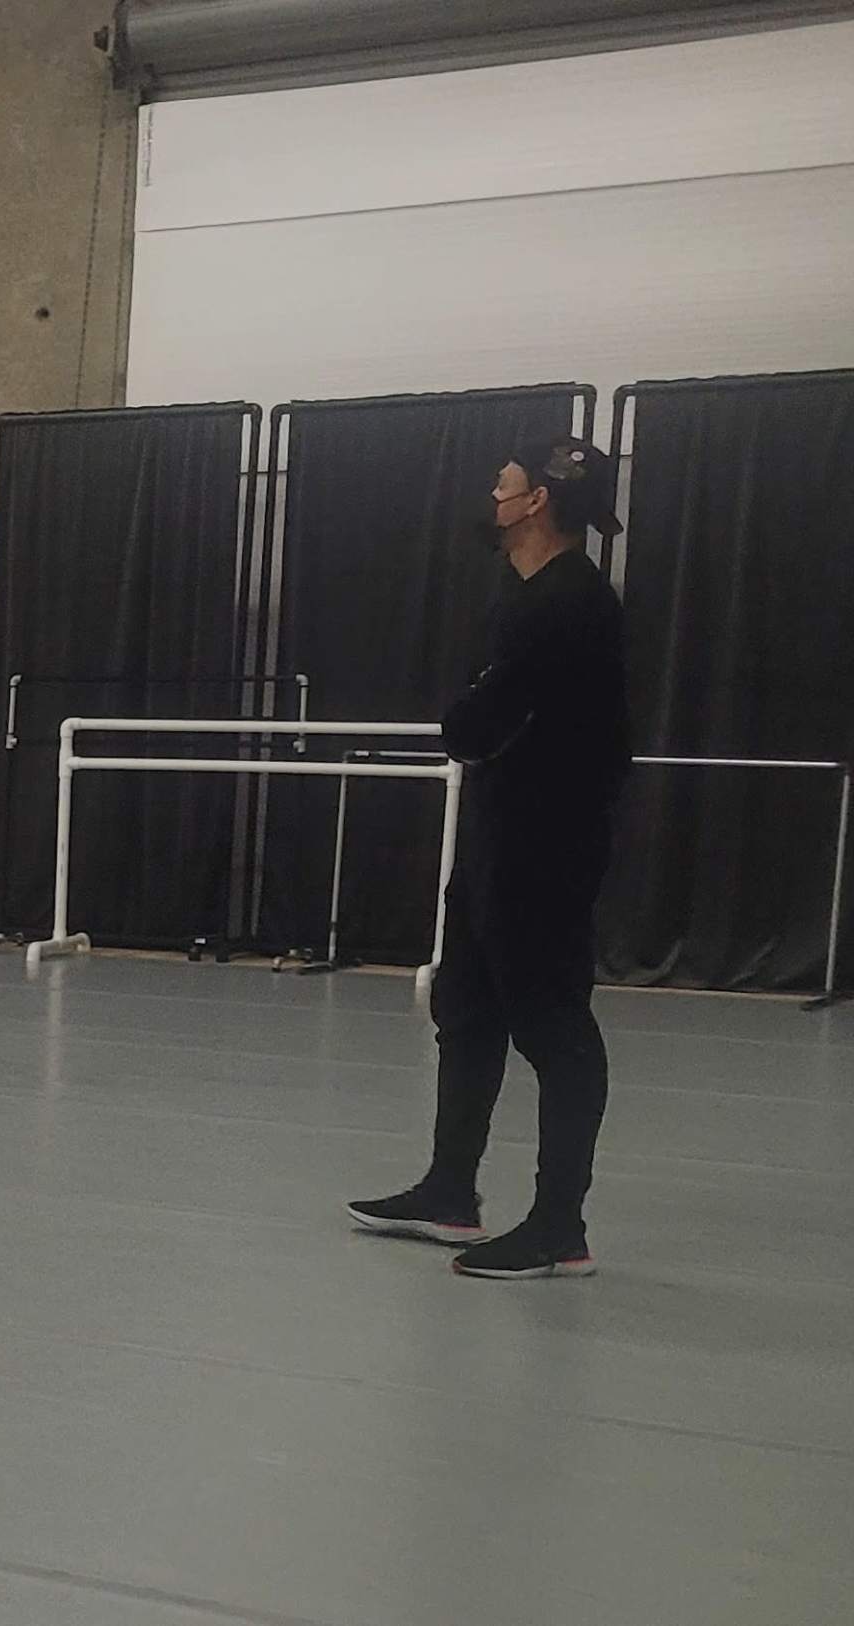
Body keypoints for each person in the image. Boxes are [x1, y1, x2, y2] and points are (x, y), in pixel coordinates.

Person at [346, 436, 630, 1281]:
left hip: (547, 848)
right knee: (467, 1009)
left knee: (553, 1026)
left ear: (538, 501)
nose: (491, 496)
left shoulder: (568, 603)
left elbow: (475, 724)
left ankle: (558, 1227)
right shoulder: (526, 593)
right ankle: (449, 1191)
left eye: (502, 486)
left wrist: (466, 715)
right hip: (499, 837)